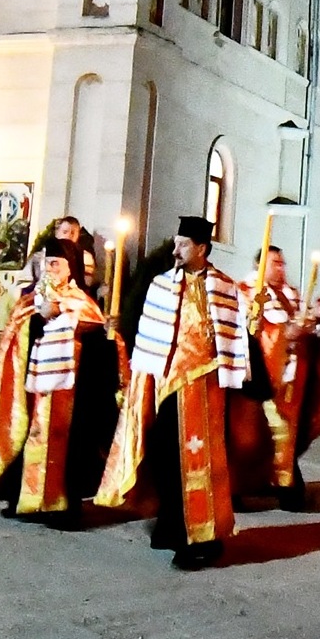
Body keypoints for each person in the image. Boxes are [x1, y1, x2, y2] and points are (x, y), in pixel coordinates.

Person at [96, 215, 251, 570]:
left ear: (201, 248)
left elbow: (233, 338)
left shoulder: (225, 287)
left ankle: (202, 536)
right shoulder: (161, 284)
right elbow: (148, 337)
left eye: (183, 245)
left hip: (204, 387)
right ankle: (170, 521)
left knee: (199, 463)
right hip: (166, 385)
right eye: (176, 243)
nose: (175, 250)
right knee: (166, 459)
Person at [0, 253, 111, 524]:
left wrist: (67, 316)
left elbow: (96, 339)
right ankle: (24, 499)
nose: (50, 268)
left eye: (57, 262)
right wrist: (38, 318)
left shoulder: (82, 302)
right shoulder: (29, 300)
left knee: (68, 447)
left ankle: (60, 506)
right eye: (47, 262)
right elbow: (15, 339)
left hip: (69, 393)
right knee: (29, 438)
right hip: (33, 391)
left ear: (71, 269)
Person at [227, 245, 320, 510]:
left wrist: (319, 319)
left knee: (286, 436)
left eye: (283, 262)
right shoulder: (245, 292)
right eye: (276, 262)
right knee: (253, 437)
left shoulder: (292, 295)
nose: (282, 268)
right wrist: (286, 335)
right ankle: (244, 489)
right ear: (260, 265)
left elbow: (306, 328)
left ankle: (283, 485)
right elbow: (248, 332)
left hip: (294, 382)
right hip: (263, 378)